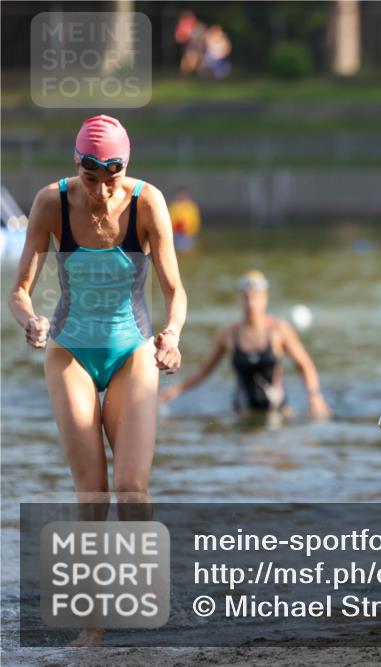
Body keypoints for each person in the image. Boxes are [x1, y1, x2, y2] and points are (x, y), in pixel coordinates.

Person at [7, 115, 186, 646]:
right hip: (69, 350)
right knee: (93, 494)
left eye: (113, 178)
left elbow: (175, 289)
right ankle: (92, 625)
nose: (104, 191)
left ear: (126, 167)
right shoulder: (50, 203)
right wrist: (30, 320)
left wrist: (172, 335)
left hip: (133, 348)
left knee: (132, 488)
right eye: (92, 179)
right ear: (76, 165)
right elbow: (19, 290)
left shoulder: (149, 203)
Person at [160, 270, 332, 419]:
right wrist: (171, 393)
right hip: (242, 415)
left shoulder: (279, 330)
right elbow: (203, 373)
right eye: (246, 297)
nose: (251, 303)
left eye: (256, 297)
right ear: (239, 300)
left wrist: (315, 397)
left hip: (279, 413)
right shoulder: (228, 334)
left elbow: (305, 365)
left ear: (265, 298)